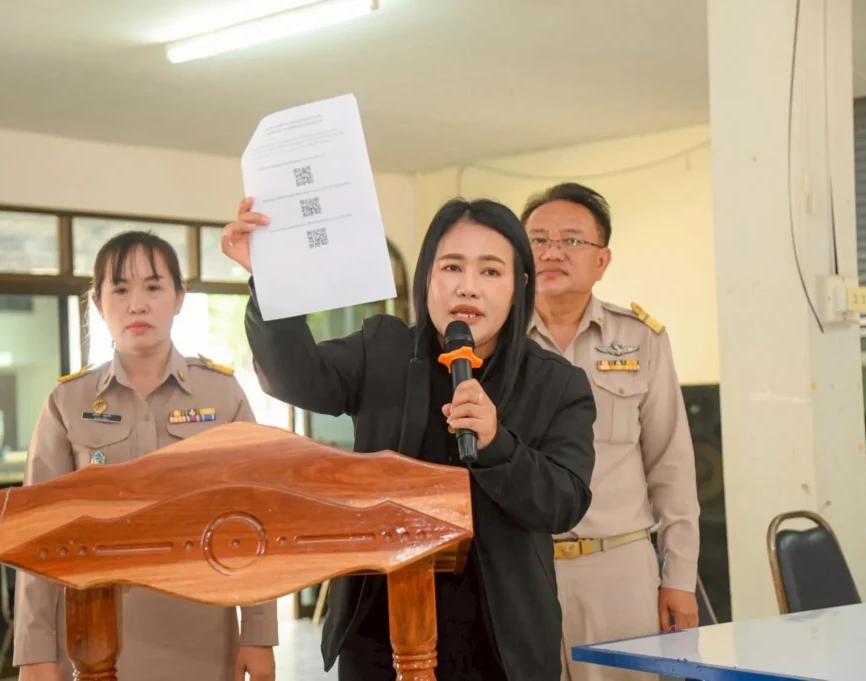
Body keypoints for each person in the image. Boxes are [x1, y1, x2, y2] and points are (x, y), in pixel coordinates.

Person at [221, 196, 596, 681]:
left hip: (502, 644)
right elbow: (293, 377)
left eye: (490, 271)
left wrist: (497, 444)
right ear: (426, 278)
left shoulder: (556, 383)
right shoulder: (383, 349)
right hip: (380, 633)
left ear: (519, 285)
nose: (467, 286)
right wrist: (271, 279)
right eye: (451, 267)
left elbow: (564, 502)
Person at [13, 231, 278, 681]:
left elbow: (254, 515)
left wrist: (258, 632)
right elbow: (38, 530)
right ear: (98, 304)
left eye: (154, 287)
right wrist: (35, 650)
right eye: (120, 289)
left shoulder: (222, 394)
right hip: (90, 638)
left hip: (202, 635)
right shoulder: (68, 401)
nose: (137, 304)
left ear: (179, 298)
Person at [520, 183, 701, 681]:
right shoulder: (492, 343)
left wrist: (680, 576)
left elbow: (671, 464)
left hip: (617, 567)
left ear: (602, 261)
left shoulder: (640, 339)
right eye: (538, 239)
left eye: (572, 240)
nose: (552, 251)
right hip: (518, 566)